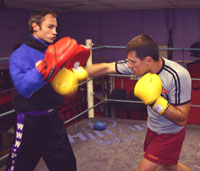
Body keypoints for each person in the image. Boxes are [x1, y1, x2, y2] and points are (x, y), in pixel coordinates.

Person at [85, 34, 191, 171]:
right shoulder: (137, 64)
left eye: (133, 62)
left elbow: (182, 119)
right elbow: (106, 67)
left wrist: (154, 101)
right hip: (153, 128)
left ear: (148, 60)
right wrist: (77, 73)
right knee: (169, 166)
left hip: (170, 134)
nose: (129, 65)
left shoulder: (177, 75)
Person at [7, 9, 88, 171]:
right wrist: (44, 69)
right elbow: (23, 88)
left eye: (56, 28)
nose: (55, 32)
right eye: (50, 27)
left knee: (67, 166)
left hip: (53, 119)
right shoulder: (19, 55)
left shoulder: (55, 50)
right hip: (30, 122)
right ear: (35, 26)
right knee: (19, 167)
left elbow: (65, 77)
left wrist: (74, 69)